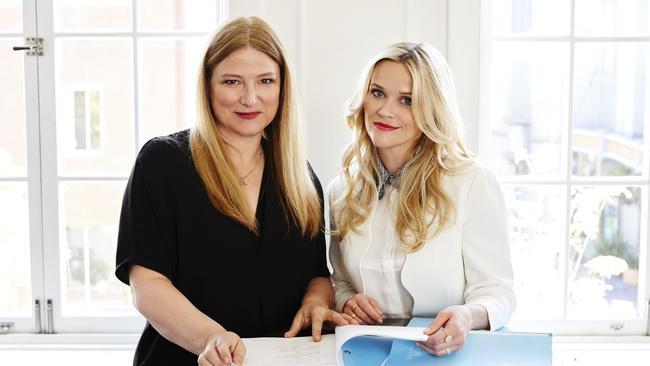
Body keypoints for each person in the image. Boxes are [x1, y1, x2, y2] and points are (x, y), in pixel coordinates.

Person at [116, 16, 350, 366]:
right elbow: (147, 285)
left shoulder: (300, 176)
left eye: (265, 81)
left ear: (282, 88)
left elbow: (315, 274)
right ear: (208, 86)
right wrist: (213, 338)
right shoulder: (163, 163)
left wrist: (315, 303)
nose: (250, 98)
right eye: (232, 81)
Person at [328, 42, 516, 357]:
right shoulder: (342, 190)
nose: (385, 110)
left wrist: (467, 317)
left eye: (407, 100)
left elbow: (497, 293)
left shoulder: (472, 182)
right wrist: (347, 300)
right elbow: (340, 281)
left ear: (431, 109)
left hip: (445, 356)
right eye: (377, 93)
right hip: (364, 354)